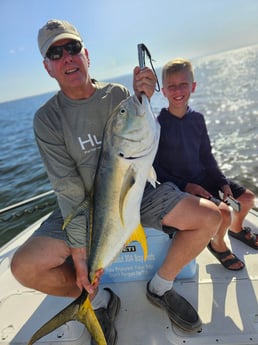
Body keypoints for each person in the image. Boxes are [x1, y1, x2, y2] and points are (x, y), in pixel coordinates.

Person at [10, 20, 222, 344]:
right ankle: (97, 302)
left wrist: (147, 96)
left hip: (136, 188)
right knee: (24, 267)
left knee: (211, 217)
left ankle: (160, 287)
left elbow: (148, 133)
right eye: (56, 53)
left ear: (86, 54)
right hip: (80, 203)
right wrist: (82, 259)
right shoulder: (47, 119)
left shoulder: (120, 97)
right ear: (47, 67)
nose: (67, 57)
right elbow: (68, 190)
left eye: (72, 48)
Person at [154, 58, 257, 271]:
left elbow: (207, 156)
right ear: (163, 91)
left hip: (204, 177)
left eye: (183, 84)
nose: (178, 90)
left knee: (247, 199)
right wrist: (185, 186)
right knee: (224, 213)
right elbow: (155, 170)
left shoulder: (197, 119)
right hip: (179, 186)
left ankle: (236, 231)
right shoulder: (158, 125)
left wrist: (222, 183)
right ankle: (217, 244)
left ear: (193, 86)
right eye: (171, 86)